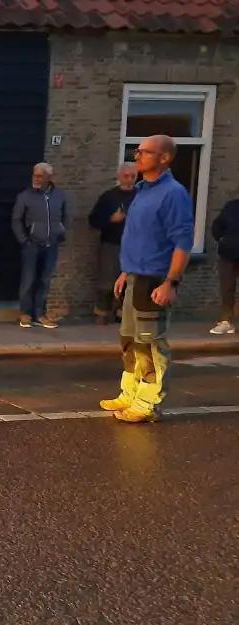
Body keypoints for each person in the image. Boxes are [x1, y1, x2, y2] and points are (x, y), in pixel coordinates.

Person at [100, 135, 194, 423]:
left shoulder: (173, 194)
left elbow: (182, 242)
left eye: (145, 152)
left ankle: (147, 401)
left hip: (154, 279)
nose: (137, 156)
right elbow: (139, 236)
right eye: (137, 151)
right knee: (128, 340)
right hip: (134, 276)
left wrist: (171, 283)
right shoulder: (141, 190)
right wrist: (125, 272)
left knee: (149, 344)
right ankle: (129, 392)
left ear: (164, 158)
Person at [11, 162, 70, 329]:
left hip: (52, 244)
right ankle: (25, 313)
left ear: (48, 178)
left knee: (45, 280)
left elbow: (65, 215)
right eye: (34, 175)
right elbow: (16, 220)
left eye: (40, 176)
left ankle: (40, 313)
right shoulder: (25, 196)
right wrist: (23, 239)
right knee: (28, 280)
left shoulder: (59, 195)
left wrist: (61, 232)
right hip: (32, 244)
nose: (36, 179)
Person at [88, 163, 138, 325]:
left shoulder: (141, 196)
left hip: (134, 246)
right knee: (107, 281)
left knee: (130, 282)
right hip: (111, 244)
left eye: (133, 177)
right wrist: (110, 219)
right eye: (126, 176)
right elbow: (93, 220)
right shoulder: (108, 197)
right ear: (119, 176)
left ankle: (122, 314)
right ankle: (102, 313)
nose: (129, 180)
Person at [209, 197, 239, 334]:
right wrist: (223, 241)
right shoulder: (231, 206)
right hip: (228, 253)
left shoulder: (231, 206)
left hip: (228, 249)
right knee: (227, 288)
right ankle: (225, 321)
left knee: (227, 288)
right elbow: (217, 226)